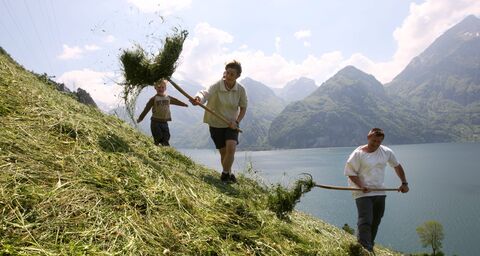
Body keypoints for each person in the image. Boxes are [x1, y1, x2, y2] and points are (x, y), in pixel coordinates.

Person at [344, 128, 409, 253]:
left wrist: (404, 183)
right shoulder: (358, 154)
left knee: (376, 220)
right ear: (368, 137)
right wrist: (361, 185)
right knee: (366, 219)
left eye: (379, 142)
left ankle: (369, 245)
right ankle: (364, 248)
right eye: (373, 140)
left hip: (379, 191)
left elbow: (397, 166)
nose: (375, 144)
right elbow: (350, 173)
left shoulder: (386, 152)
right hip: (361, 191)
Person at [190, 60, 248, 183]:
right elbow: (204, 93)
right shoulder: (216, 85)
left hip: (231, 124)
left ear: (238, 76)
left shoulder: (241, 90)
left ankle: (224, 174)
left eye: (232, 74)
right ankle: (229, 174)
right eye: (227, 72)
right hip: (215, 123)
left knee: (231, 148)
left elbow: (243, 107)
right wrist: (198, 99)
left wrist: (237, 122)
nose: (228, 76)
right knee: (224, 153)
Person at [137, 79, 188, 146]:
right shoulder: (153, 99)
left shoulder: (168, 98)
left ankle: (166, 149)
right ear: (155, 88)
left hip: (164, 122)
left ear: (165, 88)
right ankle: (156, 148)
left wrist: (183, 104)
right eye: (158, 87)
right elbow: (146, 109)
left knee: (166, 136)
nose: (160, 89)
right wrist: (141, 118)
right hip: (155, 122)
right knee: (158, 136)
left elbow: (176, 101)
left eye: (162, 87)